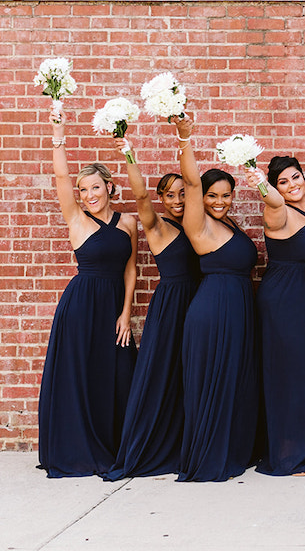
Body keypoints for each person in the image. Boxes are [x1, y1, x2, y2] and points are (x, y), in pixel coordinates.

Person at [38, 105, 138, 477]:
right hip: (80, 307)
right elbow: (61, 175)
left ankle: (115, 444)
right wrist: (58, 133)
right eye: (84, 189)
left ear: (110, 187)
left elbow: (131, 268)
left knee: (116, 373)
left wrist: (126, 312)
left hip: (113, 305)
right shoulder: (76, 218)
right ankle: (78, 447)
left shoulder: (128, 222)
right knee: (80, 374)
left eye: (96, 187)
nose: (89, 194)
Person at [106, 134, 200, 480]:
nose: (177, 200)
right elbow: (140, 195)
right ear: (161, 199)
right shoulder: (156, 225)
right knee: (162, 374)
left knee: (190, 378)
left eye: (182, 193)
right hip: (172, 304)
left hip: (199, 301)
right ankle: (149, 446)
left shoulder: (197, 224)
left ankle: (186, 443)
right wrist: (129, 154)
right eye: (169, 195)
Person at [174, 115, 258, 482]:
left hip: (238, 307)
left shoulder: (230, 224)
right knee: (214, 382)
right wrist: (185, 136)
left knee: (235, 381)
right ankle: (209, 455)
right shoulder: (199, 223)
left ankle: (232, 449)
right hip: (214, 310)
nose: (220, 201)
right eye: (212, 195)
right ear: (202, 199)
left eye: (226, 195)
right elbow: (191, 181)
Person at [249, 154, 305, 476]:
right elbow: (272, 201)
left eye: (295, 177)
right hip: (288, 304)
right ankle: (289, 455)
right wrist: (260, 182)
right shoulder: (277, 212)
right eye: (283, 182)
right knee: (295, 378)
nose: (292, 186)